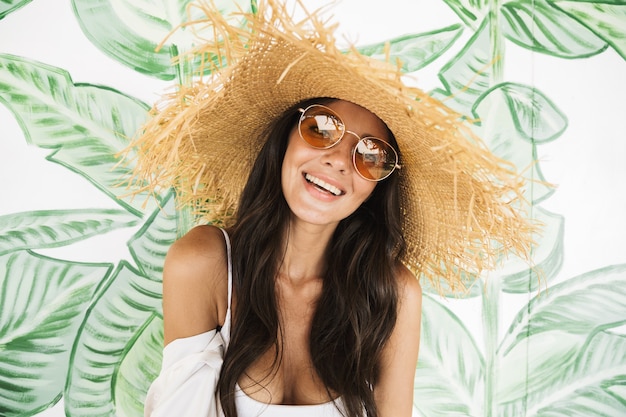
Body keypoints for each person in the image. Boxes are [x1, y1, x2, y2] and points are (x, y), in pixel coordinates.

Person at [126, 1, 534, 416]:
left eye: (371, 155)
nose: (340, 160)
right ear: (286, 136)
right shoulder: (204, 263)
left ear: (379, 186)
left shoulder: (392, 294)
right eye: (321, 129)